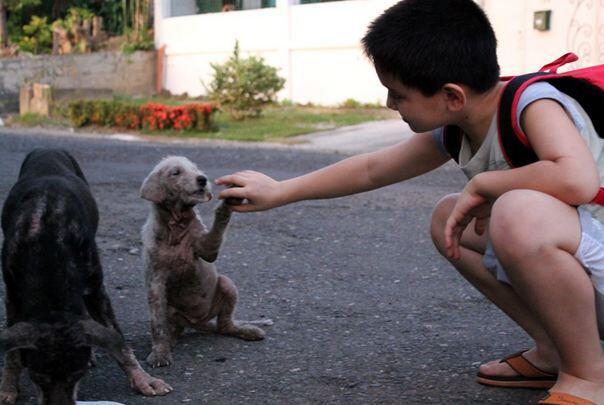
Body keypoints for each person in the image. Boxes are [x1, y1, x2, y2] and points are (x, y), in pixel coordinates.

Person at [215, 0, 604, 403]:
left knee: (516, 212)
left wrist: (487, 184)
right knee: (447, 217)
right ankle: (555, 350)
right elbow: (372, 168)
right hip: (588, 267)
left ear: (452, 96)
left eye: (397, 95)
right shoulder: (459, 124)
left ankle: (588, 377)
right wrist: (281, 190)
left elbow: (576, 179)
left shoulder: (533, 105)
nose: (390, 105)